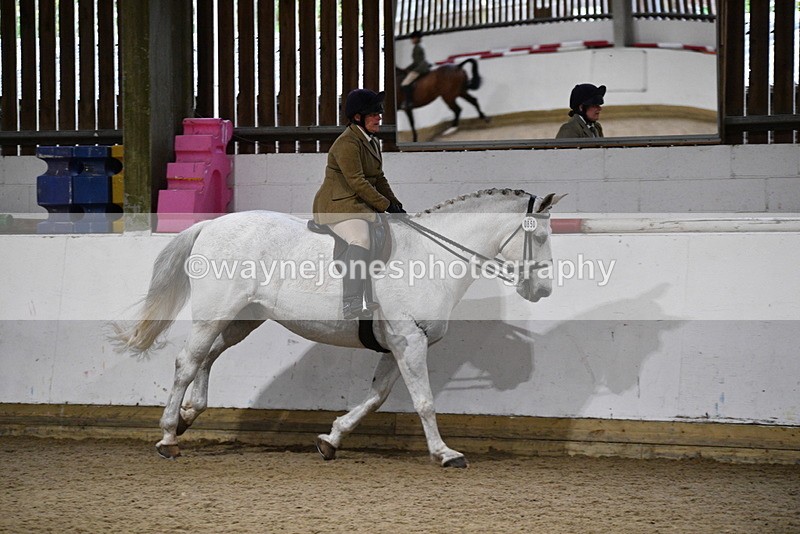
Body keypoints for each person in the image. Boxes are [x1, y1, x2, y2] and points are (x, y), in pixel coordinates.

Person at [312, 88, 406, 320]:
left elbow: (379, 178)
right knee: (361, 238)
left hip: (358, 203)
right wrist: (385, 205)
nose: (379, 117)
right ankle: (352, 301)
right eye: (373, 114)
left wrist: (395, 204)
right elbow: (357, 182)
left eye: (379, 113)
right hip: (338, 205)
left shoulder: (371, 142)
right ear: (357, 118)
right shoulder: (347, 144)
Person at [399, 30, 431, 110]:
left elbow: (418, 62)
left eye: (413, 38)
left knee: (405, 83)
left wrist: (413, 70)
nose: (412, 40)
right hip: (421, 66)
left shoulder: (417, 47)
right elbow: (415, 62)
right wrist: (407, 68)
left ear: (416, 38)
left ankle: (409, 102)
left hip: (421, 68)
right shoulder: (419, 46)